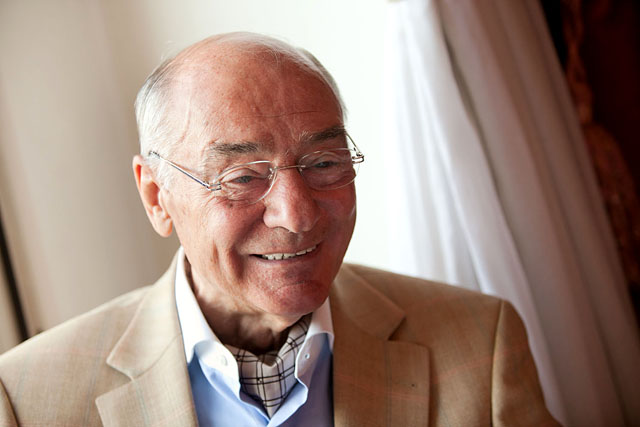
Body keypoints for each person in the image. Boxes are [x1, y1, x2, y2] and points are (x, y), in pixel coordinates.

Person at [0, 32, 558, 426]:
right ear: (156, 197)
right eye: (242, 176)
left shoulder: (478, 344)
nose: (297, 215)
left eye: (324, 163)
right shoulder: (26, 399)